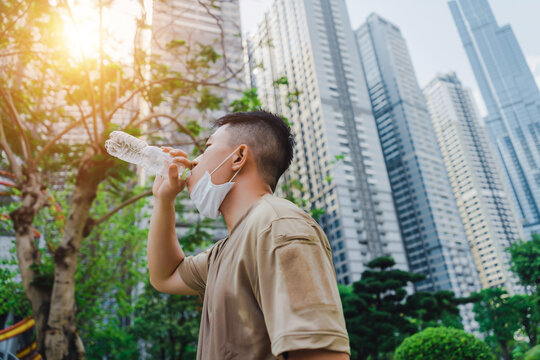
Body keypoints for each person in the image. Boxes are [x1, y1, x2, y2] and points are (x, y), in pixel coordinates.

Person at [147, 110, 350, 360]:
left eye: (207, 147)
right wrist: (163, 200)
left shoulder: (279, 225)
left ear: (239, 157)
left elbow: (320, 355)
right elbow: (165, 276)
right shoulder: (224, 251)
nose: (195, 161)